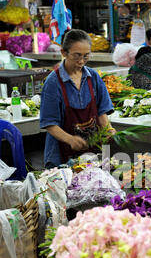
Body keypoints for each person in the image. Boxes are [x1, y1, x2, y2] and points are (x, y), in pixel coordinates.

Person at [40, 29, 115, 168]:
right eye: (77, 56)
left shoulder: (93, 77)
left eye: (86, 56)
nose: (81, 61)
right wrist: (70, 139)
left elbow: (101, 111)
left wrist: (108, 130)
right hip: (62, 155)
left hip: (92, 151)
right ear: (64, 53)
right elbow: (49, 123)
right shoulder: (53, 82)